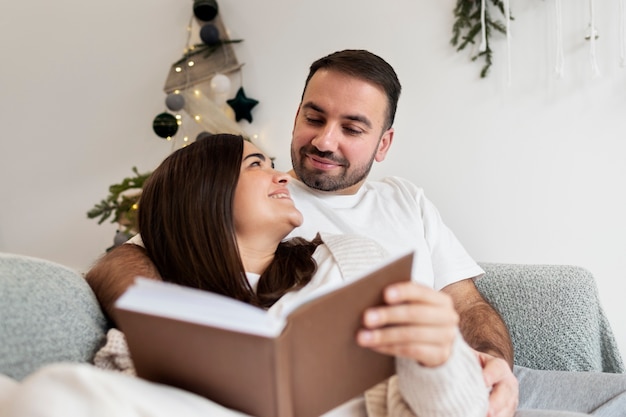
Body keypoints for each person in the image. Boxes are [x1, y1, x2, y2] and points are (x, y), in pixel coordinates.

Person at [85, 50, 626, 417]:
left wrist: (496, 366)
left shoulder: (404, 199)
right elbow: (126, 263)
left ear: (383, 144)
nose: (325, 140)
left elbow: (467, 302)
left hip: (474, 377)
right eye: (314, 117)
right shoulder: (257, 200)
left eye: (352, 128)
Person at [0, 134, 490, 417]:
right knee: (46, 394)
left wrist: (440, 357)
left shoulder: (353, 261)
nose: (283, 176)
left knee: (48, 393)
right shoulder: (169, 302)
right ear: (204, 197)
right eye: (258, 164)